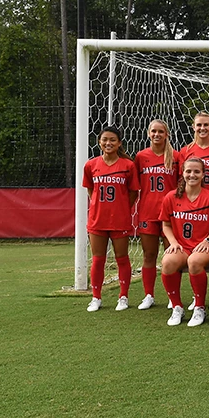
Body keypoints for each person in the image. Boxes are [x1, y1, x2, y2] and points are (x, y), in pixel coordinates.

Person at [83, 126, 140, 312]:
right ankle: (96, 297)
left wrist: (121, 208)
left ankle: (123, 296)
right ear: (99, 142)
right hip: (97, 219)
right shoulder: (91, 165)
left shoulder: (128, 166)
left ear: (119, 143)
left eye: (112, 140)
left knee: (121, 258)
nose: (108, 143)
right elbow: (91, 190)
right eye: (105, 139)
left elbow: (133, 193)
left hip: (119, 220)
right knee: (98, 259)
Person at [160, 157, 209, 327]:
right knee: (168, 262)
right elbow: (166, 225)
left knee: (194, 262)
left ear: (203, 174)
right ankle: (177, 307)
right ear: (182, 173)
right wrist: (173, 243)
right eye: (188, 171)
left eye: (196, 171)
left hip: (206, 245)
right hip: (182, 245)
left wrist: (207, 240)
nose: (192, 175)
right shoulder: (171, 197)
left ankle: (199, 307)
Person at [133, 119, 177, 310]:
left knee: (171, 256)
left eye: (160, 131)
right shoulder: (141, 156)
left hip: (171, 214)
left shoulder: (175, 156)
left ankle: (172, 296)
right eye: (154, 131)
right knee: (149, 255)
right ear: (148, 133)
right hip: (148, 212)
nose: (157, 134)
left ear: (167, 134)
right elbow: (135, 185)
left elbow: (181, 184)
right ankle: (148, 295)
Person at [179, 112, 209, 202]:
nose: (202, 128)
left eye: (206, 125)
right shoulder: (185, 151)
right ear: (193, 127)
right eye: (199, 125)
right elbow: (182, 179)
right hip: (192, 201)